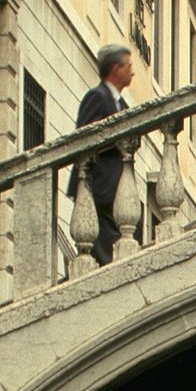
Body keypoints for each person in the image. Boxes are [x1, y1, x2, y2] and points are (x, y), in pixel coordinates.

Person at [67, 45, 141, 265]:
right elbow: (84, 137)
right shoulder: (97, 97)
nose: (132, 72)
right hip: (100, 189)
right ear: (115, 68)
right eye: (128, 66)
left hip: (115, 192)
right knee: (104, 257)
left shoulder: (121, 103)